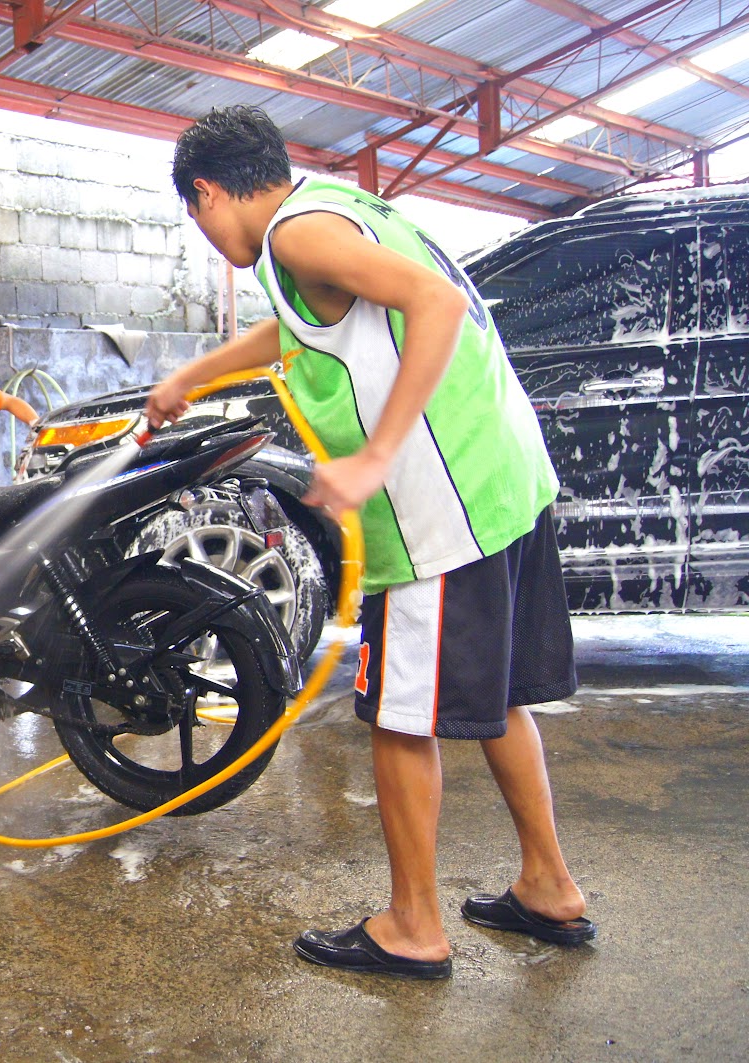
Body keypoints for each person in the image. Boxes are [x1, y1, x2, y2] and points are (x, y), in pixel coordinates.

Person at [146, 106, 592, 979]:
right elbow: (304, 326)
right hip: (502, 474)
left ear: (205, 192)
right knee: (499, 696)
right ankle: (548, 884)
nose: (204, 234)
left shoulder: (296, 237)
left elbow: (438, 303)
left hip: (438, 507)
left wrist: (377, 454)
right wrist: (191, 375)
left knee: (398, 716)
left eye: (194, 216)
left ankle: (414, 924)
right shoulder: (330, 211)